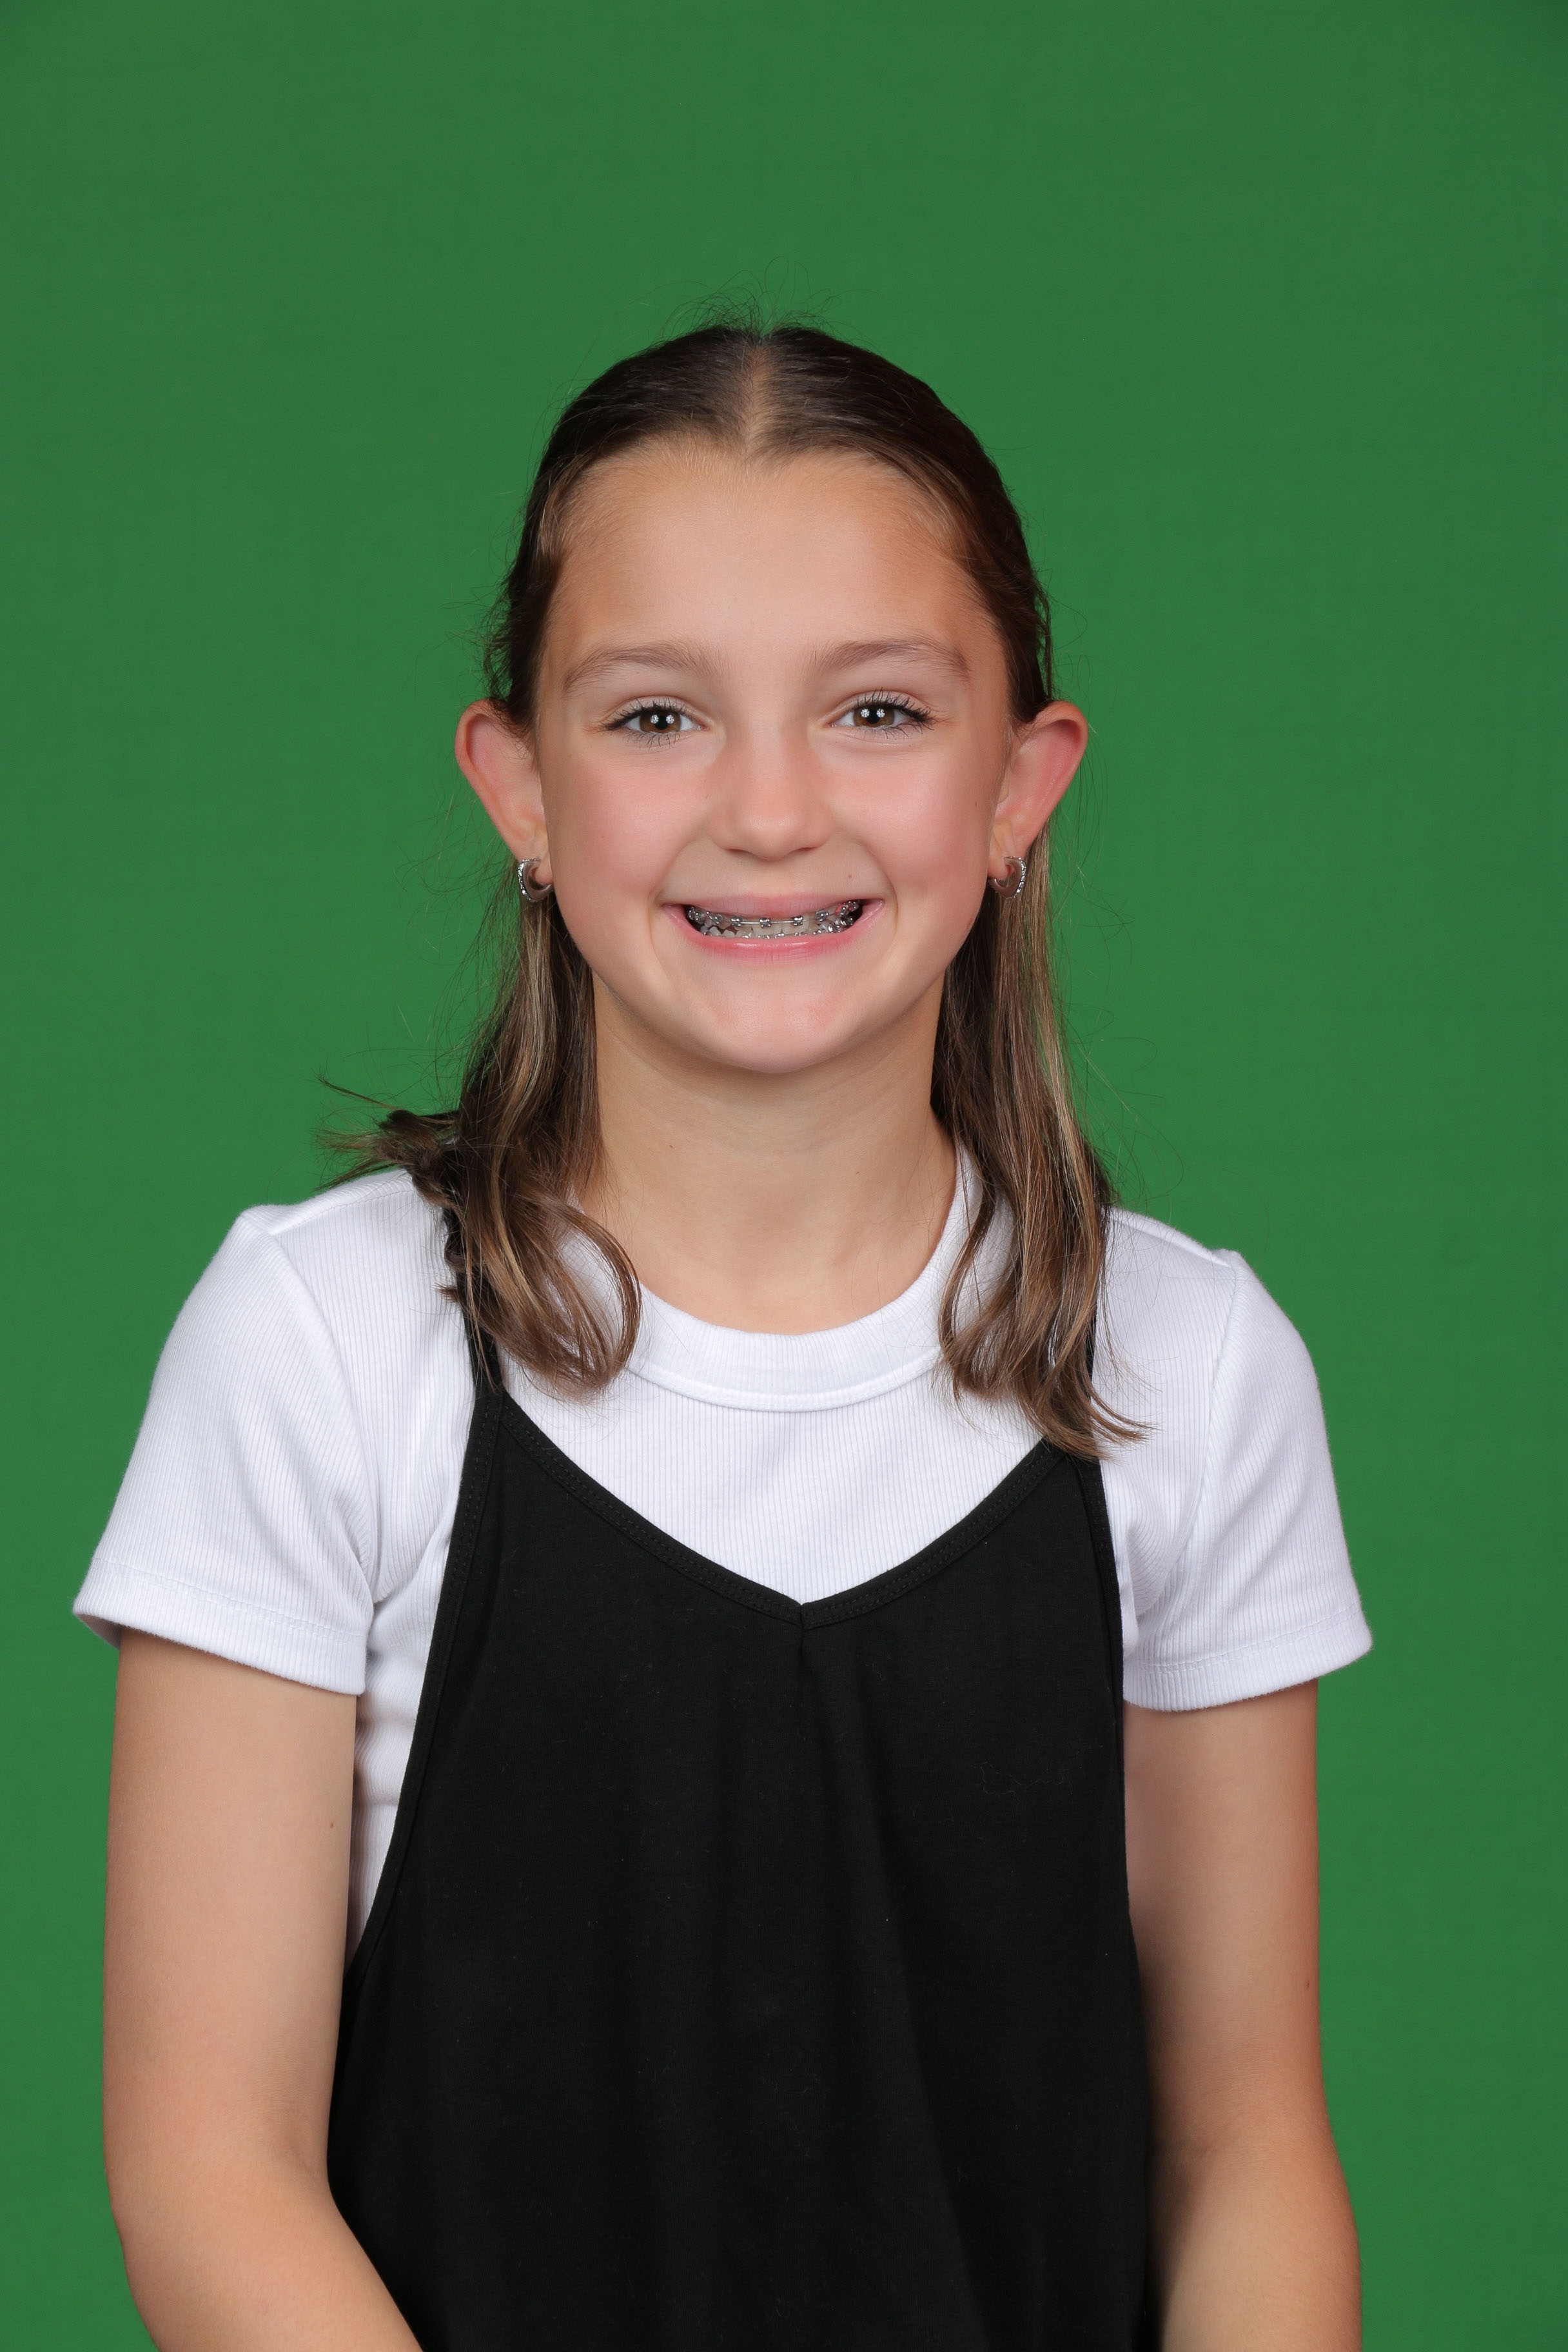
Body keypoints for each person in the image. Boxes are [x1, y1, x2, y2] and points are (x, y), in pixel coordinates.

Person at [81, 320, 1371, 2351]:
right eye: (659, 716)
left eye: (878, 710)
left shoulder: (1191, 1369)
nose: (770, 810)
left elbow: (1242, 2146)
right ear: (520, 785)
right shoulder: (321, 1347)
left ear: (1021, 783)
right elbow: (206, 2161)